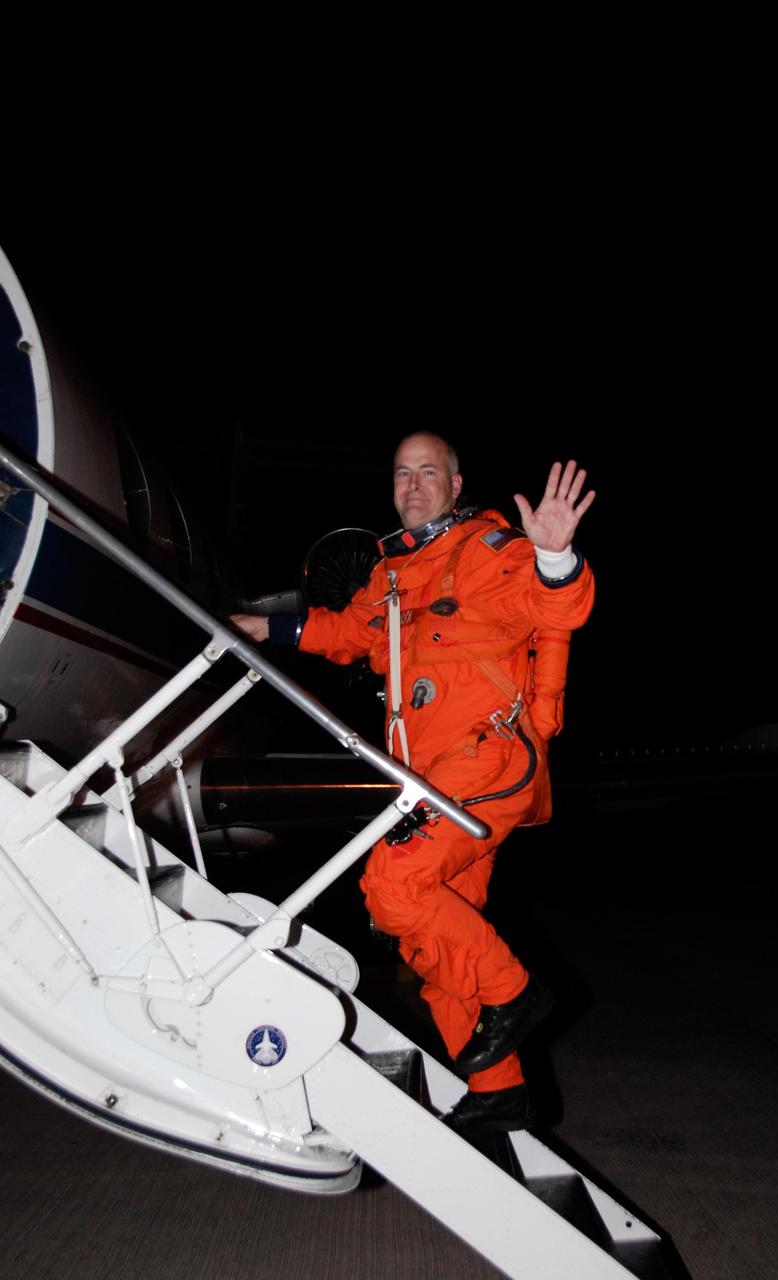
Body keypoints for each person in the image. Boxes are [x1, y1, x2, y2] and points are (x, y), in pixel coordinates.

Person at [232, 433, 595, 1134]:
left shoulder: (488, 551)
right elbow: (349, 631)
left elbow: (557, 606)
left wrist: (554, 556)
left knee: (393, 887)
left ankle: (515, 991)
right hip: (431, 778)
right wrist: (267, 627)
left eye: (430, 472)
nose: (414, 485)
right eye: (403, 473)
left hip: (488, 759)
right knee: (435, 943)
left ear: (456, 486)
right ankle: (499, 1092)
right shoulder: (394, 573)